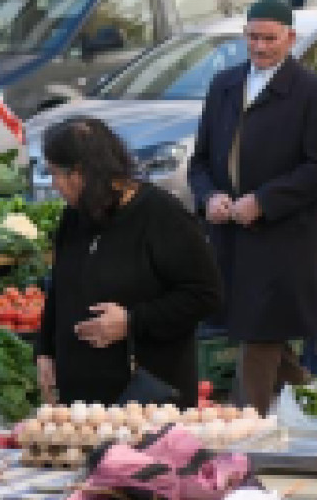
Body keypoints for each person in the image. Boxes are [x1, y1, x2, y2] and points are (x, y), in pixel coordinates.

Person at [184, 0, 317, 414]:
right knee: (262, 334)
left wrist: (264, 201)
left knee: (260, 332)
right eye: (253, 37)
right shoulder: (224, 85)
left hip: (284, 238)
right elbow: (199, 162)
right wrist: (209, 198)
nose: (260, 47)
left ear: (290, 38)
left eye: (270, 38)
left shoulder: (313, 91)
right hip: (230, 237)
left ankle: (244, 425)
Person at [35, 119, 223, 409]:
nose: (55, 185)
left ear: (82, 173)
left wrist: (132, 322)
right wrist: (45, 351)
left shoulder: (162, 215)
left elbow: (205, 295)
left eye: (56, 174)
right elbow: (60, 287)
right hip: (83, 405)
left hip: (146, 401)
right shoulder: (75, 216)